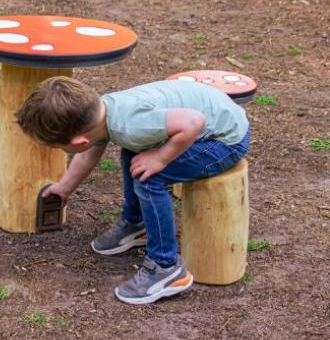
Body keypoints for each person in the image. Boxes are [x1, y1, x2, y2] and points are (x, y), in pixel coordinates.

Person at [16, 76, 250, 304]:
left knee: (150, 178)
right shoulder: (103, 112)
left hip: (225, 139)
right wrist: (64, 188)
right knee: (135, 153)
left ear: (78, 142)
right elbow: (89, 153)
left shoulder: (130, 124)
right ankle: (137, 225)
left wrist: (160, 158)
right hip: (203, 120)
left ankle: (166, 268)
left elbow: (193, 123)